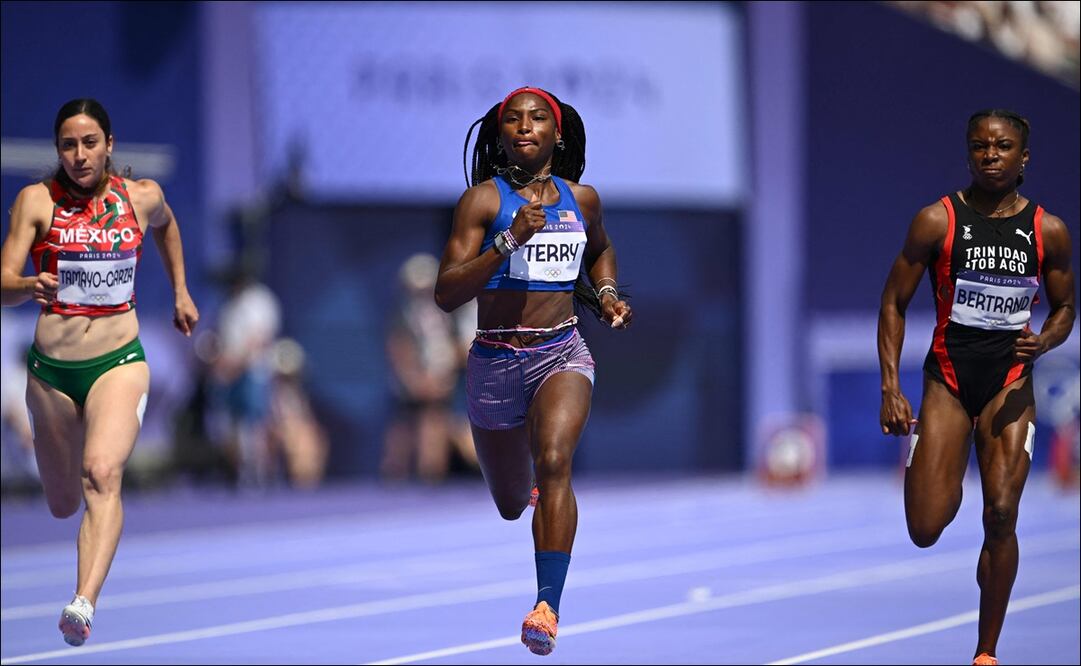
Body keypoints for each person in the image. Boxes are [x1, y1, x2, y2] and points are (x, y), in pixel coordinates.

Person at [434, 86, 632, 656]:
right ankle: (534, 501)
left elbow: (599, 251)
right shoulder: (481, 202)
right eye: (513, 120)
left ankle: (547, 606)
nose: (525, 127)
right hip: (494, 361)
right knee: (509, 502)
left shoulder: (583, 199)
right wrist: (508, 239)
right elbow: (447, 293)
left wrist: (609, 295)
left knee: (554, 463)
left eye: (537, 118)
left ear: (558, 132)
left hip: (560, 352)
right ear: (500, 137)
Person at [878, 109, 1075, 666]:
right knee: (924, 527)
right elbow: (893, 303)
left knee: (1003, 514)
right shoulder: (936, 221)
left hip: (1010, 385)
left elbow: (1065, 309)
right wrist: (891, 386)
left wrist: (1045, 341)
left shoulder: (1048, 231)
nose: (991, 155)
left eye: (1003, 146)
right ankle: (948, 471)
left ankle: (986, 652)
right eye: (980, 146)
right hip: (948, 380)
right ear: (968, 153)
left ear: (1024, 158)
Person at [0, 98, 199, 647]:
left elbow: (168, 225)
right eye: (68, 145)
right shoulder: (36, 202)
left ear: (110, 145)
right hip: (51, 376)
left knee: (102, 475)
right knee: (63, 502)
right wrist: (26, 287)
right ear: (57, 150)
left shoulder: (141, 196)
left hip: (119, 362)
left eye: (90, 143)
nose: (80, 155)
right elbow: (2, 280)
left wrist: (180, 290)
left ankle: (83, 601)